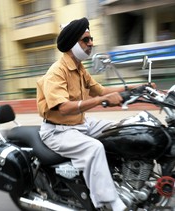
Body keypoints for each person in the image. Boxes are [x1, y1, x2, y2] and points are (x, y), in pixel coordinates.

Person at [36, 17, 146, 211]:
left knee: (123, 129)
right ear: (72, 44)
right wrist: (101, 101)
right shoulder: (57, 72)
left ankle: (124, 179)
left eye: (91, 39)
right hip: (57, 131)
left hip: (79, 123)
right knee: (94, 148)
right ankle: (109, 202)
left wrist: (138, 88)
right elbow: (63, 108)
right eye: (86, 40)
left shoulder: (79, 69)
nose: (91, 44)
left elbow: (102, 91)